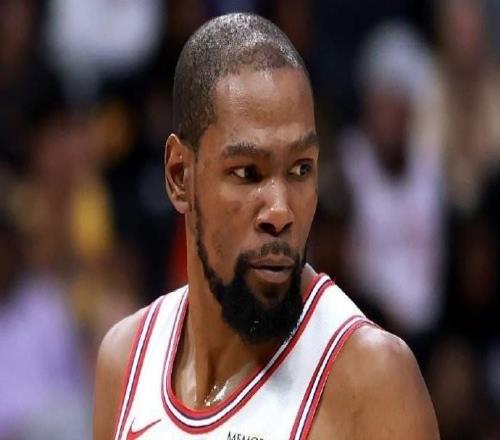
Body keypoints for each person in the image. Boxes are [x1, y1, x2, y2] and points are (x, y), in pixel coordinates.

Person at [93, 13, 439, 439]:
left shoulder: (372, 380)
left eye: (300, 169)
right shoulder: (125, 361)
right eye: (248, 173)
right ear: (179, 175)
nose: (280, 212)